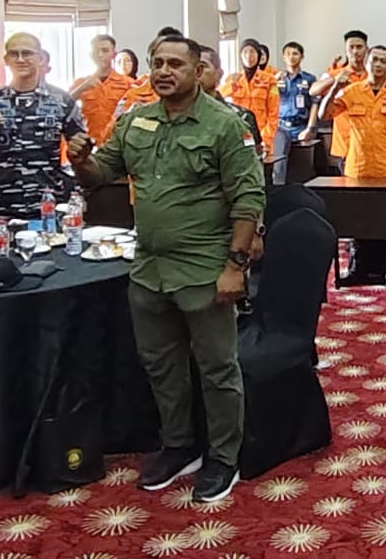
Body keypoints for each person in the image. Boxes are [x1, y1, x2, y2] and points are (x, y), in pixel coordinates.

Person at [67, 37, 265, 504]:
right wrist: (80, 160)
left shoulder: (225, 125)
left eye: (175, 64)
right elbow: (100, 173)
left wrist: (235, 266)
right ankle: (179, 445)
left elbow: (249, 198)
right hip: (149, 268)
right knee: (161, 366)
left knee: (217, 369)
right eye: (157, 63)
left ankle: (223, 457)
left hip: (203, 268)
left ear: (198, 71)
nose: (163, 71)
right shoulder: (136, 120)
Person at [0, 33, 86, 219]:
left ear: (40, 58)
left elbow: (81, 148)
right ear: (6, 60)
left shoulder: (62, 101)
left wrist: (78, 190)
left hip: (48, 203)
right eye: (14, 54)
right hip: (3, 205)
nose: (21, 59)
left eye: (27, 53)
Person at [317, 45, 386, 287]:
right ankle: (361, 270)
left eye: (383, 61)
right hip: (358, 167)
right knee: (359, 220)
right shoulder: (352, 91)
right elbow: (324, 114)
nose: (378, 64)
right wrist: (335, 87)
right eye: (374, 60)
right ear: (368, 63)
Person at [309, 30, 370, 174]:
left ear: (366, 49)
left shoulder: (372, 75)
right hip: (345, 142)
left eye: (359, 47)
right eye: (351, 47)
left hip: (369, 141)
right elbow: (313, 90)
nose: (355, 51)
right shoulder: (337, 73)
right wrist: (334, 81)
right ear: (346, 50)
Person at [69, 34, 136, 143]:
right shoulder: (81, 83)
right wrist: (81, 88)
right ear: (90, 55)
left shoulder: (129, 84)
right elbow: (63, 105)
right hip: (89, 143)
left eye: (105, 50)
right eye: (96, 51)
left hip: (118, 143)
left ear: (114, 54)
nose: (100, 55)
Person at [222, 40, 279, 161]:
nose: (249, 56)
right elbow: (218, 97)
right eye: (245, 52)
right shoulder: (233, 78)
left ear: (258, 55)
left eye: (252, 52)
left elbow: (273, 114)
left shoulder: (269, 80)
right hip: (239, 136)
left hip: (262, 136)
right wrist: (232, 83)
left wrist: (265, 140)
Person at [113, 27, 184, 124]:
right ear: (150, 62)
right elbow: (114, 128)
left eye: (174, 62)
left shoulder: (195, 96)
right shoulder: (135, 94)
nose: (165, 70)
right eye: (159, 62)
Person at [272, 41, 316, 185]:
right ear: (283, 57)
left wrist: (310, 128)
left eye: (295, 54)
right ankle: (279, 191)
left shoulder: (309, 79)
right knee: (279, 166)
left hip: (301, 126)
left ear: (302, 56)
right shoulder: (276, 78)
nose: (291, 57)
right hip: (281, 126)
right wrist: (273, 82)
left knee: (302, 169)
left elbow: (315, 104)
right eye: (288, 54)